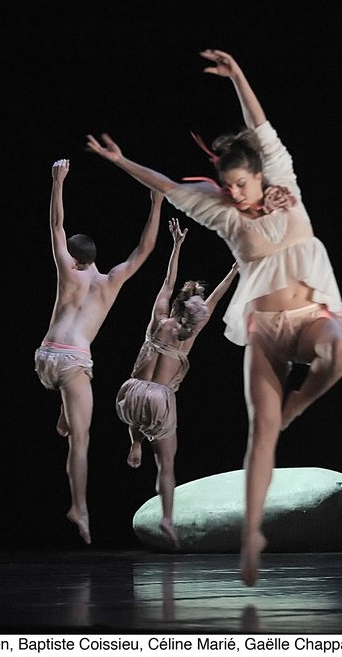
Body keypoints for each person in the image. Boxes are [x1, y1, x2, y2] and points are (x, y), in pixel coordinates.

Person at [86, 48, 342, 585]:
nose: (234, 193)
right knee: (260, 433)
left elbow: (262, 125)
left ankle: (297, 403)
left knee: (339, 350)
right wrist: (120, 162)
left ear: (259, 174)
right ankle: (252, 538)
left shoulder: (283, 179)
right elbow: (168, 187)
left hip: (309, 313)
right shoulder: (221, 213)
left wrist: (237, 75)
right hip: (266, 330)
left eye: (241, 184)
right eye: (227, 185)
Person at [36, 158, 163, 545]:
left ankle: (64, 412)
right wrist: (156, 203)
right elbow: (144, 249)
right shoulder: (110, 281)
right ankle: (80, 507)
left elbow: (56, 225)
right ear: (92, 259)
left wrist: (58, 181)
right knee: (80, 440)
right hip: (74, 361)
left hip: (45, 356)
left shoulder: (67, 271)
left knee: (68, 412)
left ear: (74, 258)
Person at [116, 217, 238, 549]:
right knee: (167, 463)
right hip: (160, 399)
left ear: (176, 306)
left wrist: (177, 245)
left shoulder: (158, 321)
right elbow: (215, 299)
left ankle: (135, 443)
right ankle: (167, 519)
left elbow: (168, 281)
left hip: (130, 392)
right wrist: (234, 271)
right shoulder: (189, 334)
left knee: (138, 412)